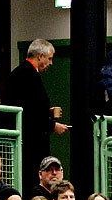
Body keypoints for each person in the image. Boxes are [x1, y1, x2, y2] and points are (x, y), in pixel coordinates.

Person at [5, 39, 68, 175]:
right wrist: (52, 125)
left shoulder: (20, 72)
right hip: (30, 143)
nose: (51, 63)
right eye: (49, 58)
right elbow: (31, 112)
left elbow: (29, 106)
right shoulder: (29, 75)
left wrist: (47, 113)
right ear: (40, 56)